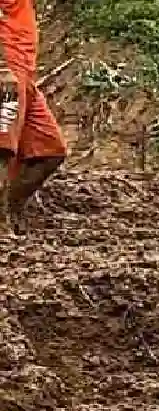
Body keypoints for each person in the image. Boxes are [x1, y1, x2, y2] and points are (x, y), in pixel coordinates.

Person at [0, 0, 68, 235]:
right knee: (3, 148)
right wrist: (2, 67)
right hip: (7, 71)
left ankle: (10, 206)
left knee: (52, 150)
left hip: (24, 74)